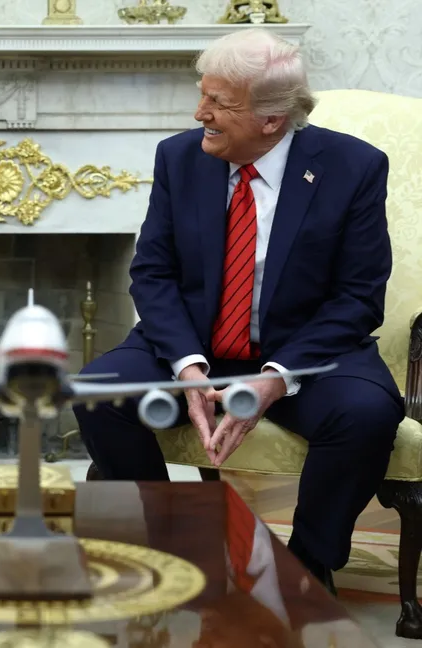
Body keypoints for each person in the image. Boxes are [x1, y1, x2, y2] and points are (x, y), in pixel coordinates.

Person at [73, 28, 404, 593]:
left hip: (305, 351)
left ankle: (308, 566)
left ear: (271, 119)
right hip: (195, 344)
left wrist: (277, 376)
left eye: (218, 102)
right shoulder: (179, 157)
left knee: (367, 414)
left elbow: (358, 296)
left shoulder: (353, 167)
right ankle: (171, 544)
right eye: (202, 94)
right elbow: (152, 272)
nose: (200, 112)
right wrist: (186, 365)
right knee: (97, 391)